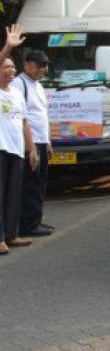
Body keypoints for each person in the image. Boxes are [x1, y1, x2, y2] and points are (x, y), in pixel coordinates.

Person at [0, 56, 37, 254]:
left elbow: (24, 122)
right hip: (1, 149)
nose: (12, 69)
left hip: (16, 149)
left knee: (14, 194)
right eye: (6, 66)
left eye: (13, 66)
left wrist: (31, 149)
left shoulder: (16, 93)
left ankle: (11, 234)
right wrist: (8, 47)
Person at [18, 50, 54, 237]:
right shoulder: (20, 84)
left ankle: (36, 220)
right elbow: (23, 118)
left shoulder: (38, 86)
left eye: (46, 65)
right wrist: (30, 147)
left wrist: (47, 142)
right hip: (29, 143)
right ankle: (27, 225)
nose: (44, 69)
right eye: (40, 65)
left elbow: (42, 116)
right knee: (30, 183)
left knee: (40, 182)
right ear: (27, 65)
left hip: (41, 141)